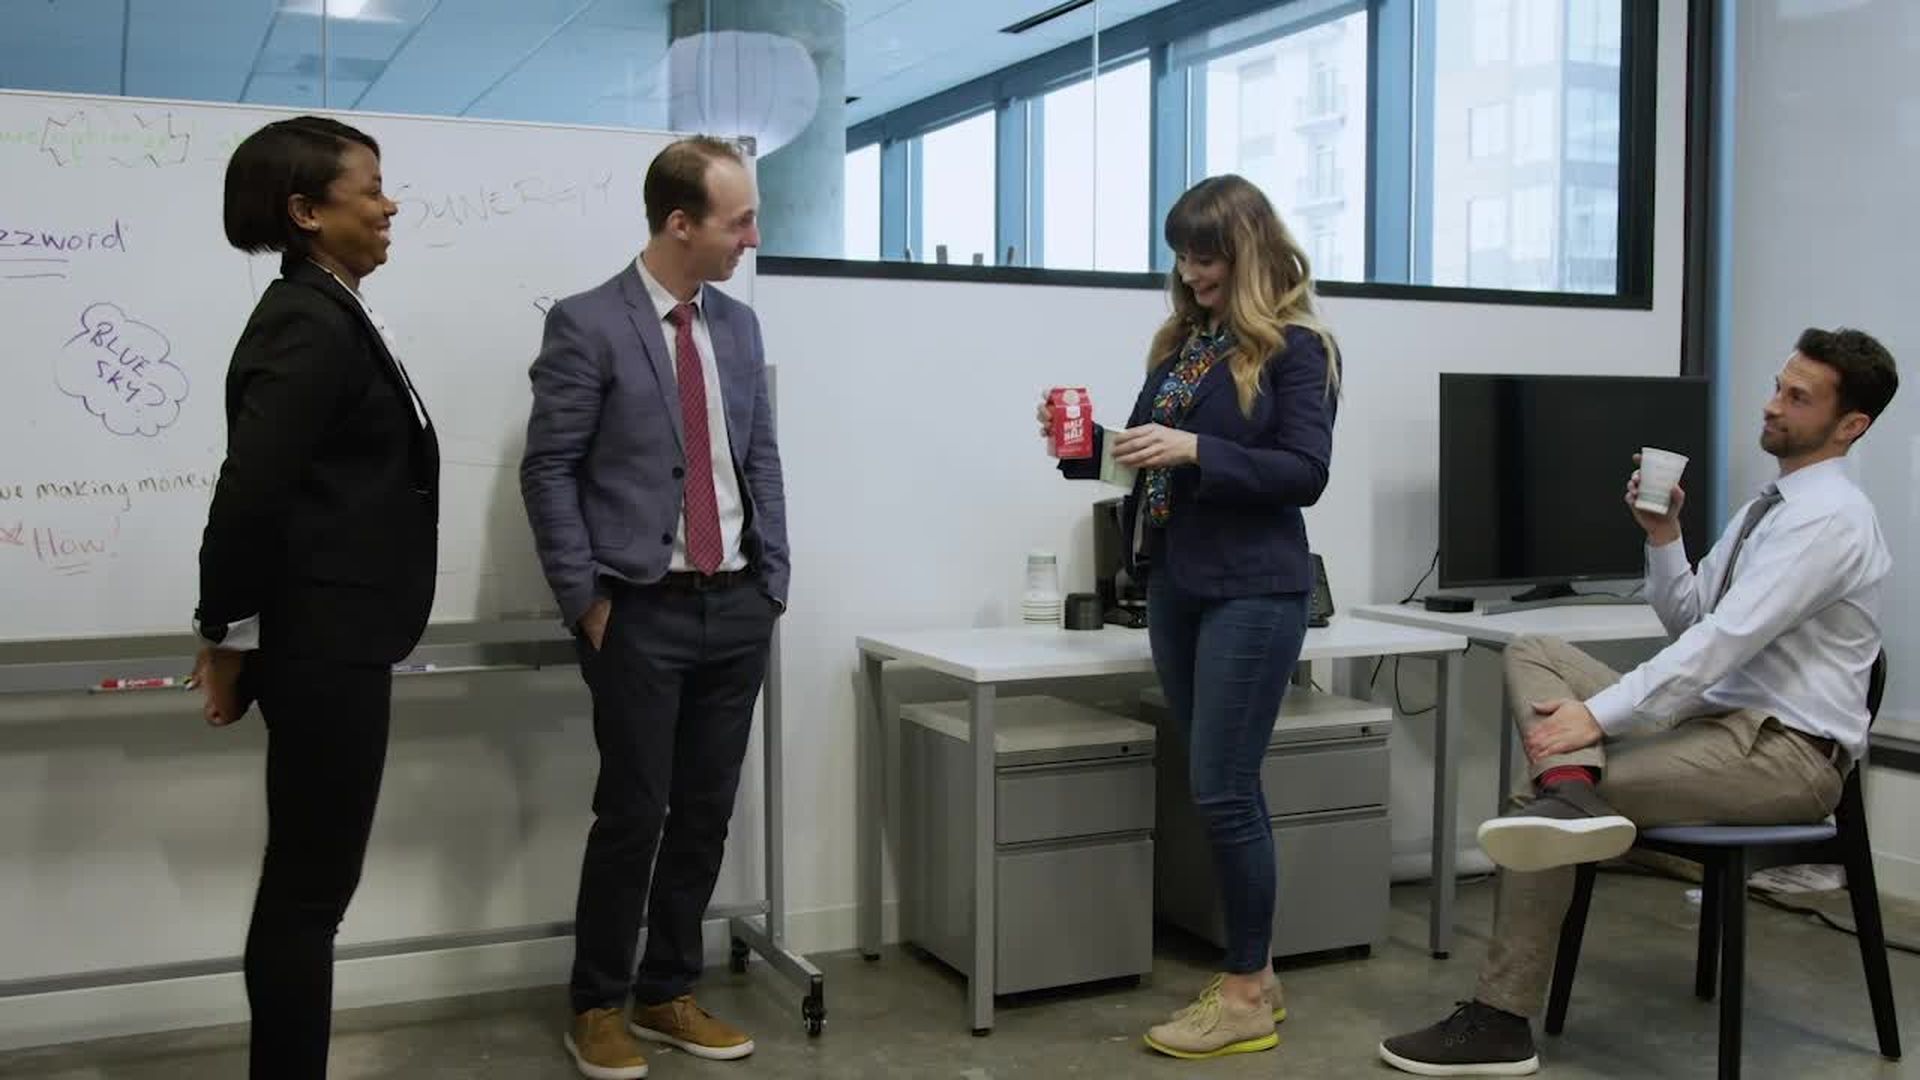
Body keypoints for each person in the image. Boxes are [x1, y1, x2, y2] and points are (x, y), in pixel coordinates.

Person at [1379, 327, 1899, 1076]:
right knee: (1533, 648)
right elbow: (1690, 620)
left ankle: (1500, 1020)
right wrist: (1665, 535)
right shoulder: (1770, 507)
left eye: (1798, 397)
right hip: (1717, 723)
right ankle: (1574, 792)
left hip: (1784, 753)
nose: (1772, 405)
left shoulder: (1831, 520)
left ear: (1851, 425)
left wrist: (1596, 716)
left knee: (1538, 805)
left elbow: (1719, 644)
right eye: (1778, 386)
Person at [1037, 174, 1340, 1060]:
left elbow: (1305, 473)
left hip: (1254, 590)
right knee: (1223, 786)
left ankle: (1244, 995)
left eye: (1207, 257)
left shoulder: (1298, 347)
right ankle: (1259, 976)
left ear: (1248, 252)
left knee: (1223, 789)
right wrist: (1080, 448)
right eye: (1181, 257)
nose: (1191, 273)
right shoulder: (1185, 346)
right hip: (1175, 584)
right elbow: (1143, 463)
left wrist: (1198, 448)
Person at [520, 135, 786, 1080]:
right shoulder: (588, 323)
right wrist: (586, 602)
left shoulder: (739, 329)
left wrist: (773, 581)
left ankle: (669, 991)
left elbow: (758, 458)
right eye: (739, 221)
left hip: (736, 604)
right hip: (638, 611)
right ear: (681, 223)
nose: (752, 238)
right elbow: (549, 471)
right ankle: (597, 1004)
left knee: (706, 811)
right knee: (633, 813)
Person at [192, 116, 438, 1080]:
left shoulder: (332, 308)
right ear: (305, 211)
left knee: (309, 888)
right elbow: (251, 491)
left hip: (337, 638)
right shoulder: (306, 318)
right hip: (320, 644)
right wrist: (225, 636)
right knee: (308, 894)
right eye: (370, 189)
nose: (389, 204)